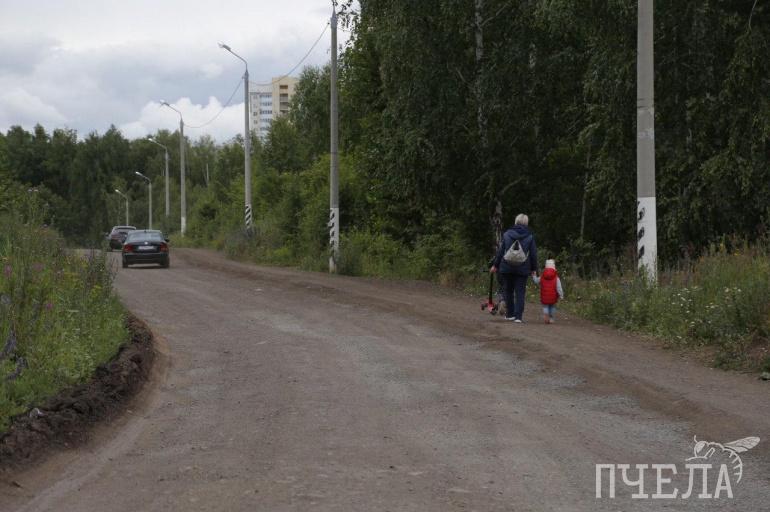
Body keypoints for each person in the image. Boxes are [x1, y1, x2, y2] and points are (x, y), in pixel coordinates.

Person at [490, 213, 538, 322]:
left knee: (508, 291)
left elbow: (501, 252)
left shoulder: (507, 234)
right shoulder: (530, 236)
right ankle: (518, 317)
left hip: (507, 267)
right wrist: (534, 269)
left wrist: (495, 265)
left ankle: (510, 314)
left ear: (516, 222)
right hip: (523, 268)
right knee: (520, 292)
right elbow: (534, 254)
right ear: (526, 223)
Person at [532, 259, 564, 324]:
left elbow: (536, 281)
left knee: (545, 306)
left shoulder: (542, 276)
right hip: (553, 297)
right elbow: (559, 288)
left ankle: (546, 314)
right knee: (552, 306)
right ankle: (551, 318)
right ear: (554, 267)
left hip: (544, 296)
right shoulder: (556, 278)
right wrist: (561, 295)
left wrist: (534, 275)